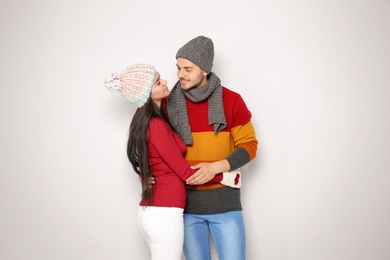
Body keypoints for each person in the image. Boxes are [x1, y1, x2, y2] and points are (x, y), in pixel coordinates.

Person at [104, 63, 242, 260]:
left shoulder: (151, 120)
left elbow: (154, 161)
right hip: (164, 213)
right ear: (146, 95)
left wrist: (144, 174)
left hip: (156, 211)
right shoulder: (157, 125)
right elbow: (185, 173)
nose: (166, 81)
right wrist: (226, 176)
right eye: (158, 82)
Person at [165, 36, 258, 260]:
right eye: (178, 68)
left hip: (225, 203)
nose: (180, 75)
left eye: (188, 68)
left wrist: (215, 167)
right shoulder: (168, 104)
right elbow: (158, 148)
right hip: (184, 206)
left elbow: (249, 145)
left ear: (205, 69)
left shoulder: (232, 100)